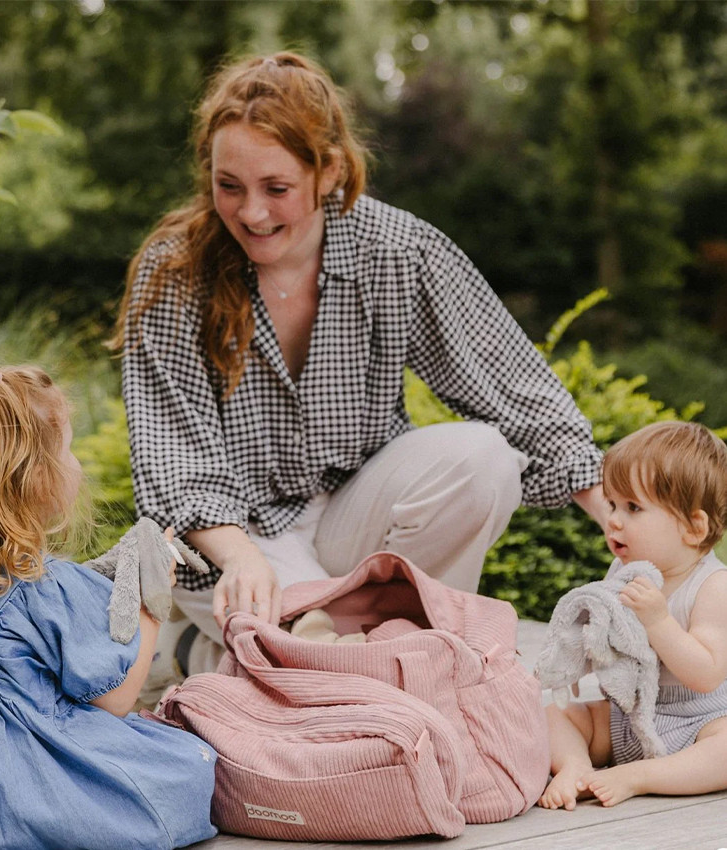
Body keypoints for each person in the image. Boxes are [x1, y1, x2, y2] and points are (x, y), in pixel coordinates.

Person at [113, 51, 607, 680]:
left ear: (330, 171)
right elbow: (173, 452)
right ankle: (258, 650)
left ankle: (354, 644)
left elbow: (508, 382)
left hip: (353, 518)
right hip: (233, 538)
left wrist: (620, 513)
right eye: (228, 185)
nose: (251, 213)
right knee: (325, 657)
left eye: (277, 188)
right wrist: (240, 559)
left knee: (482, 458)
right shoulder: (175, 270)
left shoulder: (398, 250)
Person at [0, 367, 217, 850]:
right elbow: (117, 699)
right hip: (20, 788)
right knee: (187, 765)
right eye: (68, 450)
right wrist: (150, 603)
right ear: (35, 479)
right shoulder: (44, 584)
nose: (76, 464)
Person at [539, 421, 727, 810]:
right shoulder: (622, 572)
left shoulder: (712, 586)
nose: (613, 520)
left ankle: (637, 777)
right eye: (612, 504)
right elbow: (610, 639)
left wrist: (659, 621)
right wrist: (579, 657)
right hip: (627, 718)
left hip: (697, 724)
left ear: (694, 528)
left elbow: (707, 675)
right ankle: (574, 765)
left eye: (633, 508)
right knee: (554, 716)